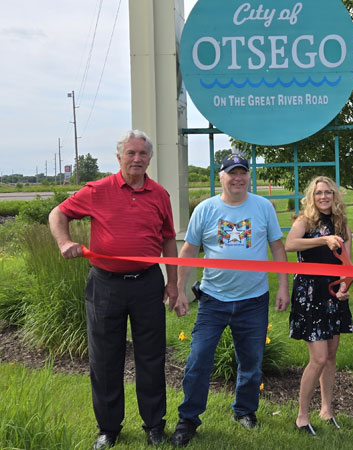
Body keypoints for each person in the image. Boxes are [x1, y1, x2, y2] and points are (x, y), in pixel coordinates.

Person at [48, 129, 177, 449]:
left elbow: (168, 239)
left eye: (142, 154)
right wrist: (64, 241)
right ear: (119, 157)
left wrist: (173, 282)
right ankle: (108, 428)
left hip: (147, 283)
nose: (137, 159)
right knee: (105, 358)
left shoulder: (160, 195)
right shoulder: (98, 190)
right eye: (130, 153)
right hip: (105, 285)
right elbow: (58, 213)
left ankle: (154, 425)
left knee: (151, 357)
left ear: (149, 159)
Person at [169, 154, 290, 447]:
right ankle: (188, 419)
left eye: (243, 173)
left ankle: (245, 411)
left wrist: (284, 287)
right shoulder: (206, 209)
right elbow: (188, 250)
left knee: (251, 362)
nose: (237, 178)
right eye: (231, 173)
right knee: (198, 360)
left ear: (249, 177)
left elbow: (277, 246)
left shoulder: (262, 207)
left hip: (254, 300)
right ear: (220, 176)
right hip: (213, 300)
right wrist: (180, 289)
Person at [284, 176, 353, 436]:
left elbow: (348, 261)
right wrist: (322, 240)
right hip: (310, 293)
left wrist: (346, 287)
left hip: (333, 292)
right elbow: (290, 245)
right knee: (319, 358)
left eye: (328, 192)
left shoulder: (341, 223)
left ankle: (327, 410)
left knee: (332, 356)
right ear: (311, 197)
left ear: (335, 195)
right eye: (318, 193)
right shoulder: (305, 221)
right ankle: (302, 416)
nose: (323, 197)